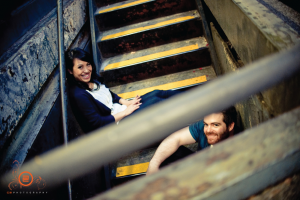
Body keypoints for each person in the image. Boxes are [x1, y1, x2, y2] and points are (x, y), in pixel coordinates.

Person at [66, 48, 182, 133]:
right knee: (156, 102)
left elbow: (110, 95)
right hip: (118, 125)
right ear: (70, 71)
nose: (86, 70)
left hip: (121, 110)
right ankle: (191, 117)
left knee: (159, 93)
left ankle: (198, 100)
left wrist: (127, 103)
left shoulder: (92, 80)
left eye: (88, 64)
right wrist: (126, 112)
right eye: (80, 67)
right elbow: (98, 123)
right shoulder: (79, 95)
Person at [146, 106, 237, 175]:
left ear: (230, 126)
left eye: (215, 125)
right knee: (170, 153)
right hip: (201, 165)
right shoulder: (203, 127)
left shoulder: (238, 146)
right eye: (206, 124)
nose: (208, 130)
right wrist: (154, 163)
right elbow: (176, 138)